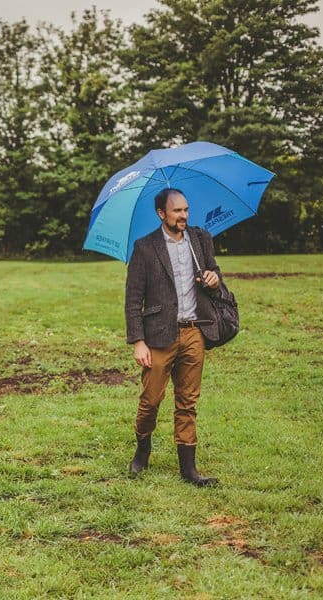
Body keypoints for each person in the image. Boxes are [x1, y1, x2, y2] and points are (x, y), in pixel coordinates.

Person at [124, 187, 223, 487]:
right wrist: (138, 341)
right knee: (150, 400)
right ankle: (143, 449)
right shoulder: (144, 247)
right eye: (177, 210)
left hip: (194, 332)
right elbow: (133, 299)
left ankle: (188, 470)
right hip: (157, 337)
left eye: (186, 209)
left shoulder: (201, 239)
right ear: (161, 214)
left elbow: (215, 274)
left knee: (187, 402)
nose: (183, 215)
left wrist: (213, 279)